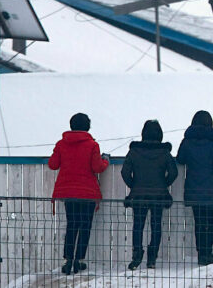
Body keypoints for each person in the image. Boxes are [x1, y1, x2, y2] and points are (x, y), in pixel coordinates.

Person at [48, 113, 109, 275]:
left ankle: (68, 260)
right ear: (87, 126)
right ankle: (79, 260)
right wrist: (106, 160)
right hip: (87, 193)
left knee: (72, 225)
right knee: (85, 226)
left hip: (69, 193)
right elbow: (97, 167)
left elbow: (53, 164)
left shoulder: (61, 144)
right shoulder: (92, 145)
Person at [121, 120, 178, 270]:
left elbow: (125, 172)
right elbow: (174, 172)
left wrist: (134, 186)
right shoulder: (165, 152)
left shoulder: (134, 151)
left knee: (138, 225)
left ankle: (136, 256)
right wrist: (164, 184)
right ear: (160, 134)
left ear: (143, 133)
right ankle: (152, 258)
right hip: (158, 195)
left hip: (138, 195)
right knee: (156, 226)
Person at [177, 110, 213, 266]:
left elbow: (180, 159)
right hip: (211, 188)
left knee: (199, 222)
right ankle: (207, 251)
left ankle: (202, 253)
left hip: (193, 188)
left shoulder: (188, 141)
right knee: (212, 221)